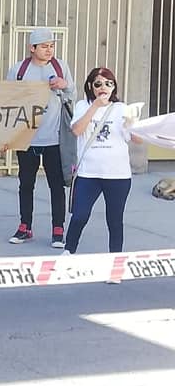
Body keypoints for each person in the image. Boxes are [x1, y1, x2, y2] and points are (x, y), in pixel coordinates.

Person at [5, 28, 75, 247]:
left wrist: (65, 86)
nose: (49, 50)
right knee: (26, 183)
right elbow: (7, 100)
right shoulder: (19, 70)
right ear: (32, 48)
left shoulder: (60, 66)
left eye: (51, 46)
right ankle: (25, 226)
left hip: (54, 137)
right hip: (27, 137)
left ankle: (58, 229)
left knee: (56, 184)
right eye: (44, 46)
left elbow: (72, 95)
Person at [62, 67, 142, 259]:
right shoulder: (83, 105)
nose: (103, 87)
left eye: (108, 83)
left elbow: (137, 139)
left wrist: (132, 123)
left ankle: (115, 261)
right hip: (88, 173)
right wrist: (95, 106)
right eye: (98, 83)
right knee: (80, 215)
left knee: (114, 220)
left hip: (117, 175)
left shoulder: (122, 108)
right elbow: (77, 130)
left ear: (114, 87)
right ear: (91, 86)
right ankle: (68, 251)